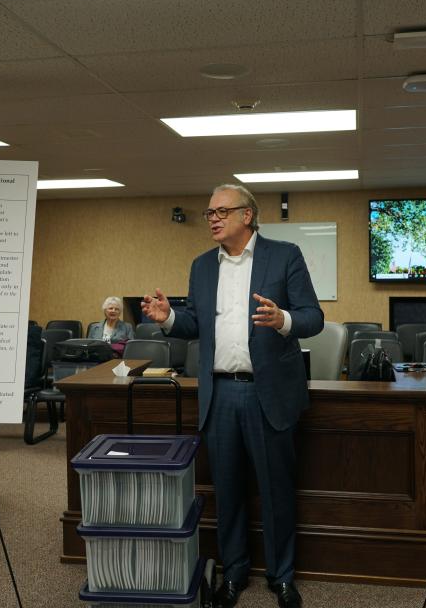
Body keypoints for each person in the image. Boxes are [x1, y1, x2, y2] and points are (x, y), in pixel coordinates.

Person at [141, 184, 323, 608]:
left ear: (248, 215)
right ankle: (234, 573)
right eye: (208, 213)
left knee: (276, 490)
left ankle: (281, 578)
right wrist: (168, 318)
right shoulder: (202, 266)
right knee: (227, 490)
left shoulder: (285, 255)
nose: (213, 219)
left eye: (221, 211)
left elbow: (314, 317)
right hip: (219, 394)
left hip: (268, 393)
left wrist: (283, 319)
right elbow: (196, 325)